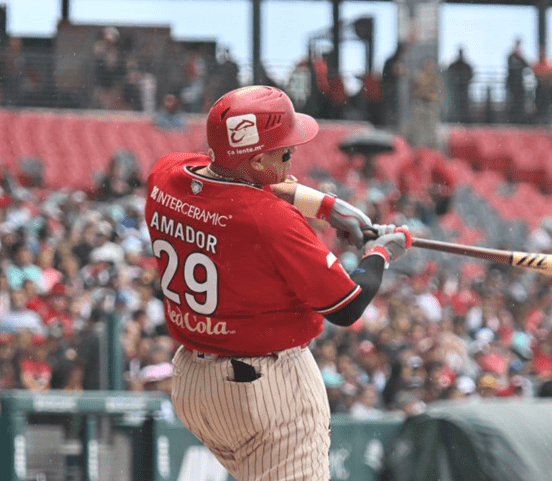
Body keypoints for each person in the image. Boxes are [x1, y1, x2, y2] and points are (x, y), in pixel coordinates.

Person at [144, 85, 412, 481]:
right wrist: (381, 254)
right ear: (256, 158)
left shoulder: (164, 176)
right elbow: (347, 304)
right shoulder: (270, 220)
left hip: (194, 385)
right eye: (285, 151)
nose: (294, 154)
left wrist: (322, 204)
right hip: (265, 390)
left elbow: (227, 176)